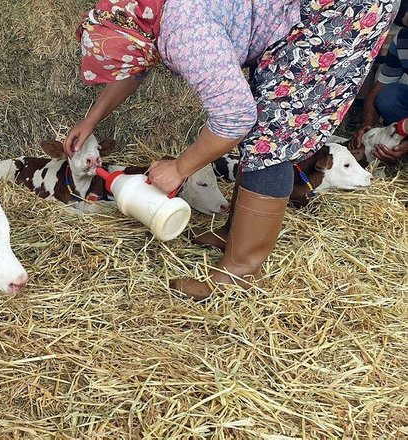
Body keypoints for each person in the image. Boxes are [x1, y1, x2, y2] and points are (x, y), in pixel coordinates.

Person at [65, 0, 396, 300]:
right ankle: (234, 233)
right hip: (299, 10)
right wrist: (90, 120)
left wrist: (180, 168)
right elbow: (132, 68)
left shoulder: (186, 35)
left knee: (272, 134)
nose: (123, 69)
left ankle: (240, 271)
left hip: (335, 15)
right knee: (265, 116)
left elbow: (236, 118)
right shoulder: (144, 20)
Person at [356, 25, 408, 162]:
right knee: (388, 96)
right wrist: (367, 123)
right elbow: (377, 89)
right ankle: (399, 138)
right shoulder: (403, 39)